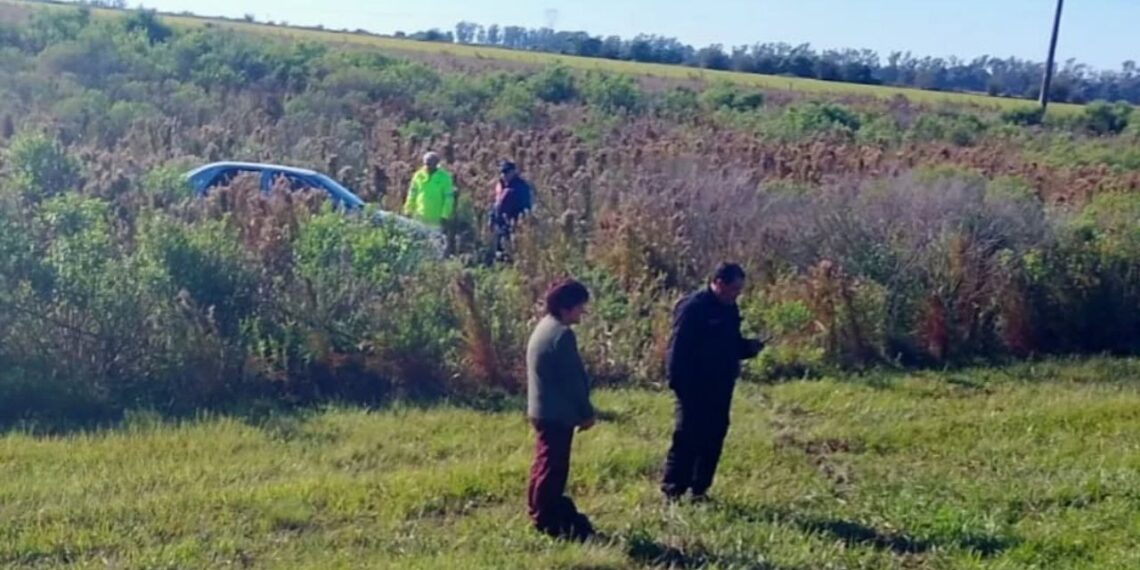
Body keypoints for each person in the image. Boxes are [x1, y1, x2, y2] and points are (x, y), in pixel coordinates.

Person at [661, 263, 764, 503]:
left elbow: (731, 344)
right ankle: (673, 490)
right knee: (688, 436)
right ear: (718, 282)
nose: (736, 294)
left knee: (714, 436)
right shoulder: (693, 308)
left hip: (721, 386)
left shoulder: (730, 309)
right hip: (693, 387)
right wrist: (679, 384)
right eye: (733, 289)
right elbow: (676, 350)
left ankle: (700, 489)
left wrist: (749, 348)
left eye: (739, 289)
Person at [526, 279, 597, 541]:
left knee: (543, 463)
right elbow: (573, 380)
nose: (582, 312)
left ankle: (537, 508)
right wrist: (586, 412)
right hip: (557, 414)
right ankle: (546, 518)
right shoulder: (562, 335)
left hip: (541, 409)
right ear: (567, 308)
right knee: (554, 468)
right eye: (580, 307)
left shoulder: (544, 327)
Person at [490, 160, 532, 257]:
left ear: (513, 172)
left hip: (514, 223)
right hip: (501, 224)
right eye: (502, 172)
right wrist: (492, 217)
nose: (503, 175)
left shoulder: (520, 187)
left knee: (512, 250)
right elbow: (495, 203)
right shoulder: (501, 186)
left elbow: (525, 207)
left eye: (506, 172)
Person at [403, 151, 455, 228]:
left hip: (435, 219)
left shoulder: (445, 178)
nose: (427, 166)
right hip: (419, 216)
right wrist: (408, 210)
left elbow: (448, 198)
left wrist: (445, 215)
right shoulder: (418, 176)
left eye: (429, 164)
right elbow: (412, 194)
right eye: (425, 163)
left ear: (436, 164)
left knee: (433, 240)